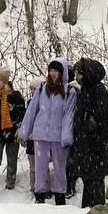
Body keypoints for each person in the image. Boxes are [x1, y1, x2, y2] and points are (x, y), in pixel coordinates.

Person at [20, 58, 77, 204]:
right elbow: (32, 110)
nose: (53, 74)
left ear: (62, 73)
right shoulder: (42, 88)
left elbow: (68, 116)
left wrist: (66, 136)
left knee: (60, 167)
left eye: (56, 71)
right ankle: (40, 195)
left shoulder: (69, 91)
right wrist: (24, 131)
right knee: (40, 167)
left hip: (58, 136)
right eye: (51, 70)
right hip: (41, 133)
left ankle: (60, 196)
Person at [71, 58, 108, 208]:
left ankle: (96, 208)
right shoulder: (86, 89)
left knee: (95, 179)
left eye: (80, 73)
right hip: (87, 144)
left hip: (95, 145)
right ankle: (88, 207)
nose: (77, 76)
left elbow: (98, 119)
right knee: (88, 178)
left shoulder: (97, 90)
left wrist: (88, 126)